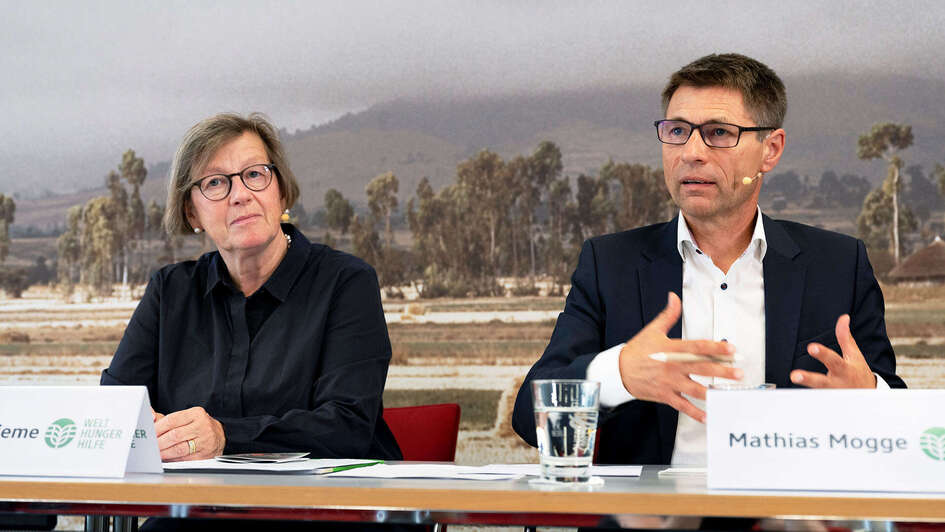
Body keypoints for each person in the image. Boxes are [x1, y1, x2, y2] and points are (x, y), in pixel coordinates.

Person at [512, 53, 906, 467]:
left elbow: (904, 427)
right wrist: (619, 374)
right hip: (647, 520)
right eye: (678, 131)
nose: (691, 152)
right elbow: (529, 420)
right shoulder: (610, 264)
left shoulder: (839, 265)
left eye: (718, 133)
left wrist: (870, 398)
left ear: (770, 150)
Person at [102, 112, 403, 531]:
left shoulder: (346, 282)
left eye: (254, 175)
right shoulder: (170, 291)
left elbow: (347, 425)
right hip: (203, 512)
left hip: (331, 512)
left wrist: (224, 435)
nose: (239, 194)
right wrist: (147, 428)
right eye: (215, 183)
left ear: (281, 192)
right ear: (191, 211)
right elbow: (115, 407)